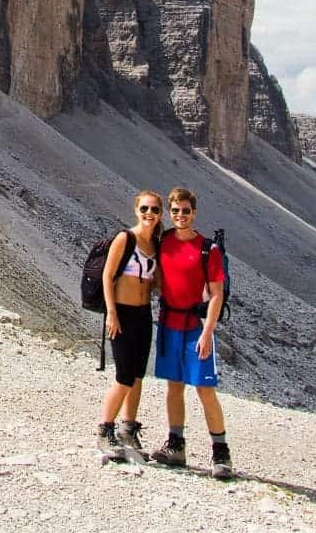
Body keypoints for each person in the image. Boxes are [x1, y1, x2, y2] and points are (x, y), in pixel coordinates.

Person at [151, 186, 232, 480]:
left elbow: (216, 294)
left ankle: (221, 452)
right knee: (173, 386)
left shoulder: (206, 249)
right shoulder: (164, 242)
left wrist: (208, 332)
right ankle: (176, 446)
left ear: (194, 213)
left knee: (204, 389)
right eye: (175, 211)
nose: (181, 216)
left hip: (196, 329)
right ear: (170, 213)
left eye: (186, 211)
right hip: (170, 324)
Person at [96, 190, 162, 460]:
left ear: (160, 215)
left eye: (155, 210)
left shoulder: (155, 245)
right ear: (137, 210)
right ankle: (105, 430)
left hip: (143, 314)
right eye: (145, 209)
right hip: (121, 313)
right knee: (123, 376)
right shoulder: (126, 238)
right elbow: (107, 275)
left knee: (137, 376)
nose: (149, 214)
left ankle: (128, 429)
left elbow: (156, 282)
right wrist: (111, 313)